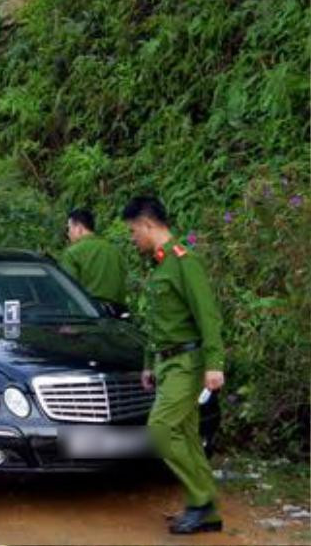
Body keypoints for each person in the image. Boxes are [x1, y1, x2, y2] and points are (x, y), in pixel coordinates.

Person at [122, 196, 224, 535]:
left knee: (161, 429)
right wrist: (150, 363)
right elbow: (160, 322)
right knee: (187, 435)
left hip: (187, 362)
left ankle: (202, 499)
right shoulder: (161, 264)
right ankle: (205, 512)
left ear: (148, 225)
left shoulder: (184, 262)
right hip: (167, 363)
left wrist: (214, 364)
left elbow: (206, 315)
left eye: (134, 231)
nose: (133, 238)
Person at [59, 208, 130, 313]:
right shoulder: (114, 251)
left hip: (87, 314)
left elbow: (67, 291)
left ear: (79, 228)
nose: (68, 234)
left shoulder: (72, 253)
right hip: (116, 314)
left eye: (69, 228)